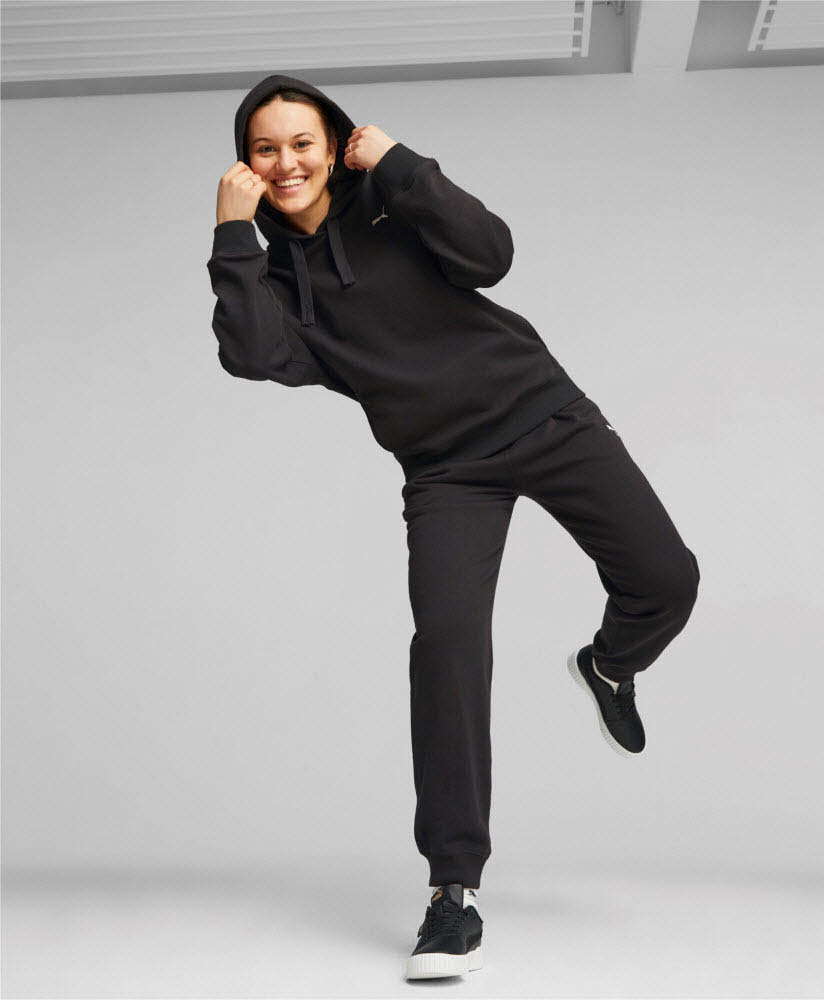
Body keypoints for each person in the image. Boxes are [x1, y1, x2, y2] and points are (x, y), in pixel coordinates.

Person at [207, 73, 701, 980]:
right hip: (445, 471)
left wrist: (402, 165)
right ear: (247, 163)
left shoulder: (387, 203)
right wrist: (233, 236)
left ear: (333, 145)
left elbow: (489, 255)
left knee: (668, 581)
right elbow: (253, 354)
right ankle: (452, 892)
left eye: (302, 143)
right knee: (447, 648)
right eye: (265, 148)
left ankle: (609, 664)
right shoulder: (268, 272)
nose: (286, 163)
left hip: (545, 415)